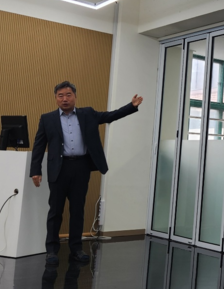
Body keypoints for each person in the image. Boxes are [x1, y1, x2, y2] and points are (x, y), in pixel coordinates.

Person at [30, 81, 143, 265]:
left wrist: (131, 106)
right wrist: (35, 170)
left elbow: (109, 116)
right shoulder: (47, 119)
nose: (65, 99)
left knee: (77, 210)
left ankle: (76, 249)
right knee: (55, 211)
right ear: (56, 98)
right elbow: (39, 146)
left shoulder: (88, 114)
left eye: (68, 95)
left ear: (75, 96)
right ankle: (51, 251)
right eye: (60, 95)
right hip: (58, 168)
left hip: (81, 167)